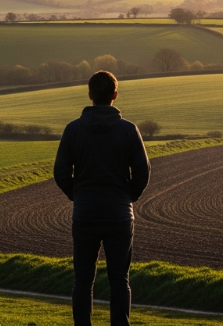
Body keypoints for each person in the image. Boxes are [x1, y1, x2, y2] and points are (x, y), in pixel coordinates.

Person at [54, 71, 151, 326]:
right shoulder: (129, 130)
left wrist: (78, 195)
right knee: (120, 280)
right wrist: (128, 197)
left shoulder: (73, 130)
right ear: (115, 96)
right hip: (119, 215)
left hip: (85, 213)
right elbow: (143, 171)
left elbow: (60, 171)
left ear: (90, 95)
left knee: (83, 281)